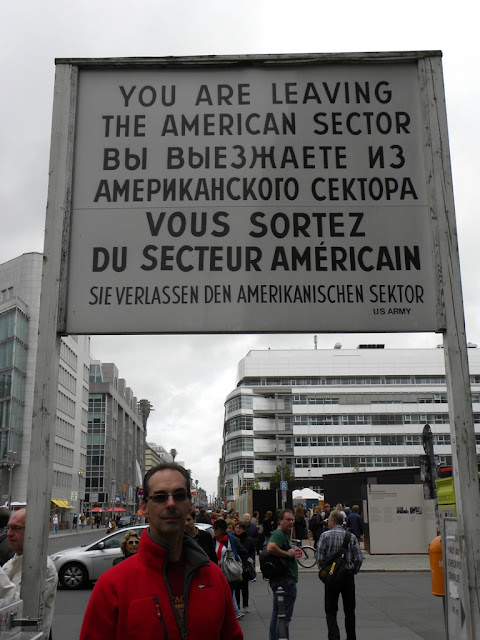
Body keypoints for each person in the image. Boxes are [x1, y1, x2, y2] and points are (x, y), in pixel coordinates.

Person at [80, 462, 242, 640]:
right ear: (144, 507)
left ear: (190, 505)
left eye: (179, 496)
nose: (171, 503)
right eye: (159, 497)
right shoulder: (111, 586)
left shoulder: (214, 578)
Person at [0, 508, 58, 639]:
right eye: (8, 528)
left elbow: (21, 610)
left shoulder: (44, 567)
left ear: (33, 531)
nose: (9, 533)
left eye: (16, 528)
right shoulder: (12, 563)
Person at [316, 510, 363, 640]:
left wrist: (326, 572)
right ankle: (351, 637)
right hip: (347, 577)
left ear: (332, 521)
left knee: (331, 610)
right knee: (349, 611)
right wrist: (351, 570)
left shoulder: (325, 536)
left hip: (331, 577)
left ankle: (334, 636)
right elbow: (359, 558)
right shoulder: (351, 537)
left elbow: (319, 558)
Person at [267, 509, 298, 640]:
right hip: (285, 581)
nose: (291, 522)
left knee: (278, 614)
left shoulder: (283, 534)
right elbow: (271, 547)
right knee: (284, 616)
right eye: (288, 519)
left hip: (282, 580)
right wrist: (287, 554)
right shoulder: (279, 534)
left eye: (292, 519)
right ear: (280, 521)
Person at [213, 518, 248, 620]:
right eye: (214, 528)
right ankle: (232, 612)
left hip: (229, 571)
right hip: (217, 571)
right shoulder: (212, 540)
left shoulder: (232, 540)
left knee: (228, 592)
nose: (214, 531)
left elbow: (244, 553)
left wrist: (241, 565)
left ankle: (231, 613)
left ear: (222, 530)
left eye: (216, 529)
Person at [234, 521, 255, 613]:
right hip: (236, 565)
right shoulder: (233, 539)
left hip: (245, 566)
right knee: (237, 587)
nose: (237, 530)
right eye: (236, 528)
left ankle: (245, 605)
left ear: (244, 529)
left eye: (239, 528)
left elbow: (252, 553)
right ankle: (237, 605)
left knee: (245, 586)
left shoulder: (249, 540)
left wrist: (249, 562)